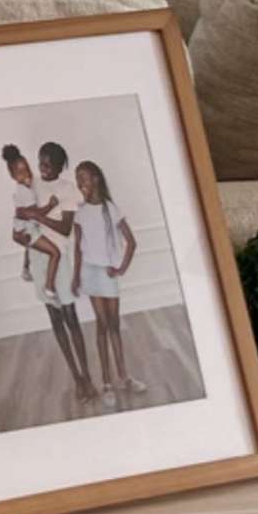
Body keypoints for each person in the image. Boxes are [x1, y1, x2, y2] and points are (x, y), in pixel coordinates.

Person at [2, 140, 95, 408]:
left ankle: (87, 376)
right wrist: (26, 262)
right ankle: (77, 378)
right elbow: (23, 228)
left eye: (48, 163)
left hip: (61, 260)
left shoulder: (67, 190)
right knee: (55, 318)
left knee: (71, 317)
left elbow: (65, 230)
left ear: (59, 165)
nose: (42, 167)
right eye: (40, 160)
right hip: (39, 259)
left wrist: (38, 215)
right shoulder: (31, 186)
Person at [70, 159, 147, 405]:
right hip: (90, 274)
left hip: (108, 273)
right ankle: (106, 383)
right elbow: (78, 248)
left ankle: (124, 377)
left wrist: (121, 268)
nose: (80, 181)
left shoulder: (110, 208)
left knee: (114, 324)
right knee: (102, 325)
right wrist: (75, 277)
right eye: (77, 177)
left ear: (95, 179)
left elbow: (131, 242)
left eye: (84, 176)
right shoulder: (79, 212)